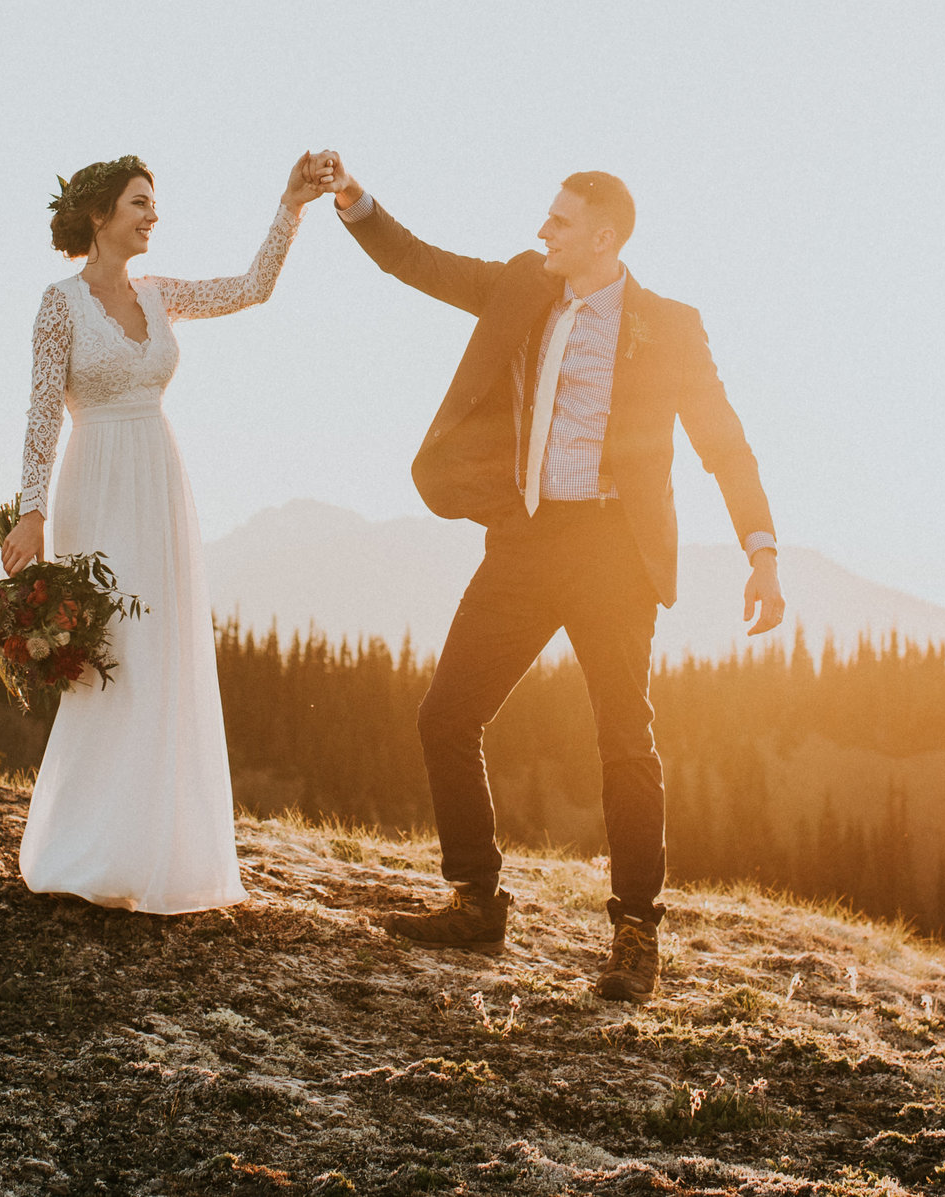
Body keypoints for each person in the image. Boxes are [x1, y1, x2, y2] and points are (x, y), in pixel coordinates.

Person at [325, 158, 782, 999]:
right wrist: (353, 199)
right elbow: (418, 262)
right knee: (446, 716)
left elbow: (724, 441)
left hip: (616, 553)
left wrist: (761, 551)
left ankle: (635, 931)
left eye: (561, 223)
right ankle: (475, 898)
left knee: (624, 739)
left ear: (603, 238)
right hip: (526, 541)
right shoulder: (519, 288)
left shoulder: (670, 326)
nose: (544, 232)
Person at [5, 150, 334, 911]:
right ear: (99, 215)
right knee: (110, 655)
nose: (153, 215)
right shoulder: (60, 304)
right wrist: (31, 507)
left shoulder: (159, 296)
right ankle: (90, 842)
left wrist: (291, 205)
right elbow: (41, 409)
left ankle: (160, 847)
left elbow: (251, 288)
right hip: (95, 483)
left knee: (164, 651)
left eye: (154, 204)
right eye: (139, 203)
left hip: (159, 479)